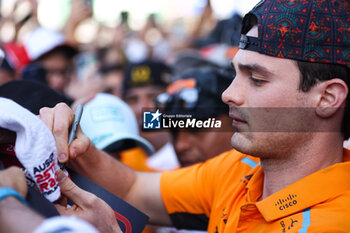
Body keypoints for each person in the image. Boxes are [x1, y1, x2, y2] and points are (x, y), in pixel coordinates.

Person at [40, 0, 350, 232]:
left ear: (327, 98)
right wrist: (77, 142)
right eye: (235, 74)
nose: (229, 94)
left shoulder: (336, 222)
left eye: (256, 79)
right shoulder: (240, 169)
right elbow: (134, 188)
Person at [155, 67, 233, 166]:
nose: (180, 145)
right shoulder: (163, 176)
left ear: (236, 122)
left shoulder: (257, 178)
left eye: (196, 128)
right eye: (174, 132)